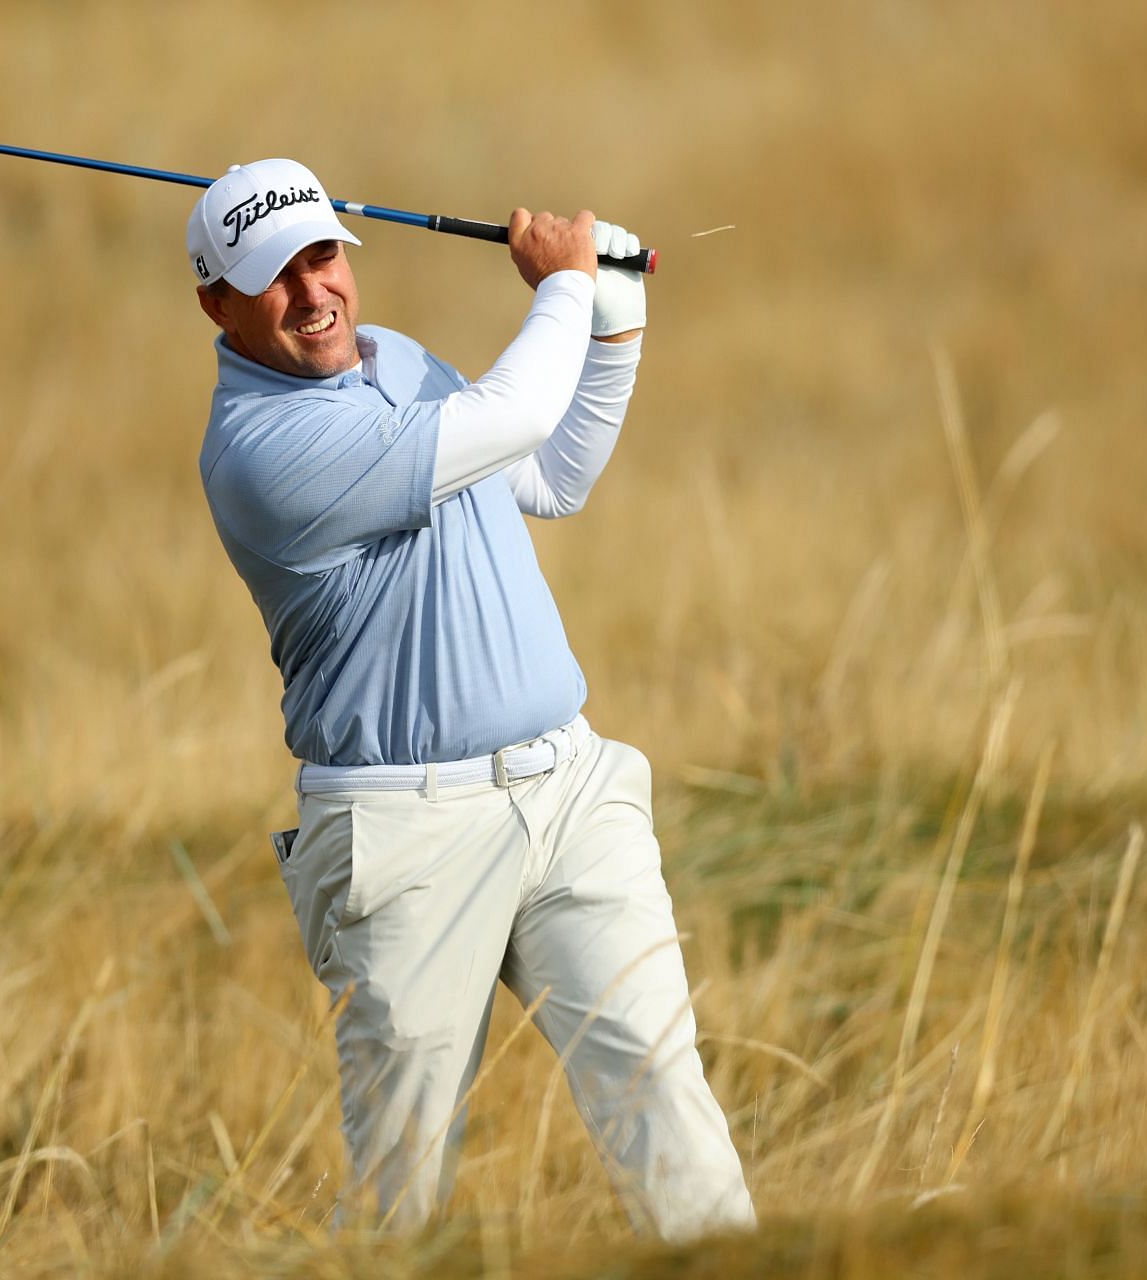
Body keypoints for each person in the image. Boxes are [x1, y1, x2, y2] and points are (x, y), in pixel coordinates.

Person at [188, 158, 755, 1239]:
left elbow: (548, 472)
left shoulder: (392, 360)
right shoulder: (263, 454)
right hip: (407, 837)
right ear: (216, 303)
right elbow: (511, 412)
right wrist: (565, 285)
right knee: (405, 1193)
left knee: (667, 1102)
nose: (314, 294)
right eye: (274, 277)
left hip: (571, 793)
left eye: (322, 258)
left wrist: (616, 323)